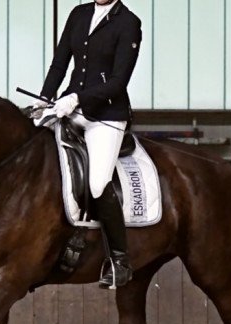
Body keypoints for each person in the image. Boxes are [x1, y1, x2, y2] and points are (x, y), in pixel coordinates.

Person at [33, 0, 142, 289]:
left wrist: (77, 99)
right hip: (69, 106)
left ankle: (119, 261)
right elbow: (60, 62)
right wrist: (45, 99)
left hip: (106, 115)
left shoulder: (128, 22)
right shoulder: (78, 14)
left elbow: (118, 82)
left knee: (97, 183)